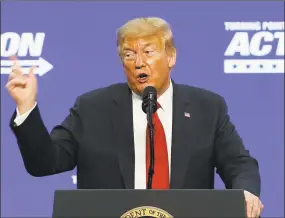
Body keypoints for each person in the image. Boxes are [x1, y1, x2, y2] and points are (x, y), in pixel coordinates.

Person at [6, 17, 263, 217]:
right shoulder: (92, 108)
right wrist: (27, 108)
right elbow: (45, 162)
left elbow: (239, 163)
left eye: (148, 52)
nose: (138, 62)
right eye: (129, 55)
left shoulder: (207, 107)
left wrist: (247, 193)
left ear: (171, 56)